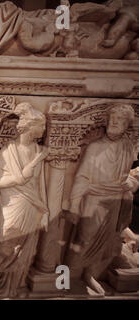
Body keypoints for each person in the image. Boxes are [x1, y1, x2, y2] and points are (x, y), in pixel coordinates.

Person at [63, 104, 138, 295]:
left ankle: (89, 275)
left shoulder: (127, 146)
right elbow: (81, 177)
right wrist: (73, 205)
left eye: (120, 120)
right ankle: (64, 278)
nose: (114, 123)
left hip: (114, 200)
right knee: (83, 239)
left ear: (127, 125)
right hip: (94, 199)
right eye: (112, 119)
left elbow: (127, 176)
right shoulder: (96, 146)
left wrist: (130, 184)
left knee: (104, 242)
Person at [0, 102, 49, 298]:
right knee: (5, 248)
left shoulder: (39, 152)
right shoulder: (8, 151)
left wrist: (44, 211)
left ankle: (14, 286)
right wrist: (18, 179)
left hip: (33, 205)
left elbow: (41, 185)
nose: (44, 129)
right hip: (13, 204)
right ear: (29, 126)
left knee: (25, 250)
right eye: (41, 125)